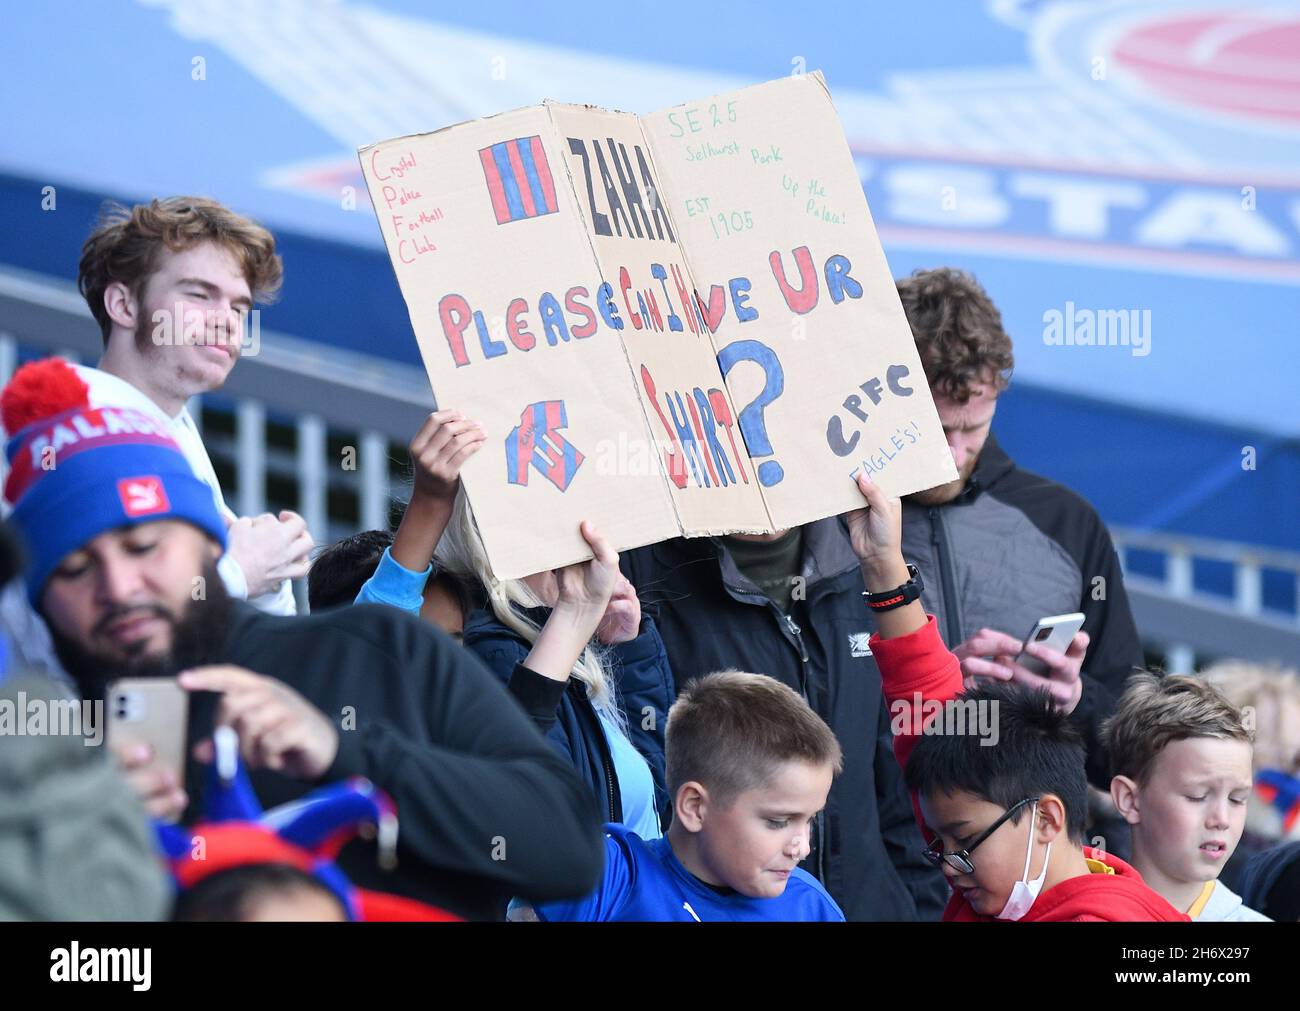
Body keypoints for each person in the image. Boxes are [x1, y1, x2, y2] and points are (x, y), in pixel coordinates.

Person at [0, 357, 604, 920]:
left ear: (212, 541)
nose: (119, 585)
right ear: (39, 599)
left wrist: (343, 753)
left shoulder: (377, 648)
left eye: (143, 546)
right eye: (75, 569)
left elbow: (567, 850)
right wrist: (80, 845)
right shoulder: (45, 762)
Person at [850, 469, 1185, 921]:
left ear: (1047, 819)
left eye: (964, 844)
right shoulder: (984, 825)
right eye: (938, 844)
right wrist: (880, 562)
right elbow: (921, 691)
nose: (949, 867)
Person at [329, 410, 674, 834]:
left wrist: (627, 645)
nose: (580, 541)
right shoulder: (497, 651)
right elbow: (525, 807)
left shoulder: (572, 647)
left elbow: (649, 810)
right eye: (552, 520)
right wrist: (431, 502)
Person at [619, 509, 945, 920]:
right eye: (778, 821)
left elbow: (903, 789)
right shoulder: (638, 574)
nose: (800, 846)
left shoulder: (869, 558)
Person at [895, 268, 1142, 789]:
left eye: (973, 429)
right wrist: (932, 687)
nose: (956, 454)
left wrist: (1076, 702)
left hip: (1033, 854)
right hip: (866, 860)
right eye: (938, 431)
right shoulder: (832, 526)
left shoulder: (1067, 522)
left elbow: (1131, 746)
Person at [76, 195, 315, 615]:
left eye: (240, 307)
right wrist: (241, 570)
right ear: (123, 305)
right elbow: (106, 620)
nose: (227, 320)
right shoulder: (73, 424)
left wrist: (270, 567)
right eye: (200, 295)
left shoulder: (169, 424)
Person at [535, 670, 844, 921]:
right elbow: (507, 773)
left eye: (810, 820)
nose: (802, 848)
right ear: (695, 807)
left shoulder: (811, 908)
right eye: (778, 821)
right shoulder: (612, 878)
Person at [1104, 673, 1268, 920]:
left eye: (1237, 799)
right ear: (1129, 799)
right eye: (1197, 796)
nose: (1221, 819)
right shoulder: (1080, 912)